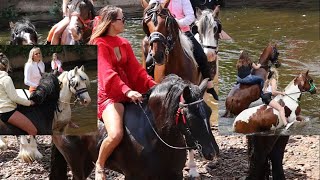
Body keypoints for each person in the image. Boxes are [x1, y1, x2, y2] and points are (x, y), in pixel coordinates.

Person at [89, 6, 157, 180]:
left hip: (129, 92)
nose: (124, 21)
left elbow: (137, 71)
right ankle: (100, 164)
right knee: (116, 134)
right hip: (110, 96)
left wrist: (155, 87)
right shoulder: (99, 44)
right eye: (122, 19)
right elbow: (107, 74)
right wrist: (127, 92)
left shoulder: (124, 43)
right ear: (111, 22)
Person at [148, 0, 219, 100]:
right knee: (149, 60)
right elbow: (150, 14)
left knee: (201, 55)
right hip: (162, 34)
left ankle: (209, 85)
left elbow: (190, 17)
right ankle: (148, 87)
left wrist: (176, 23)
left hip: (183, 32)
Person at [0, 53, 37, 135]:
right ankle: (29, 146)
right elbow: (14, 98)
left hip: (1, 109)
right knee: (33, 131)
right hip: (7, 111)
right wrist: (29, 102)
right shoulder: (6, 79)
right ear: (7, 66)